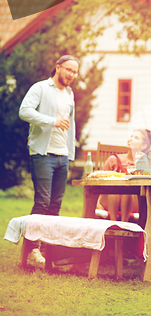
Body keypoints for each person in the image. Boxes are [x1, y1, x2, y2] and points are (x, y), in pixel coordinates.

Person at [18, 55, 80, 266]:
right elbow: (24, 111)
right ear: (58, 67)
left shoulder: (70, 93)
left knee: (55, 205)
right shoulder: (41, 88)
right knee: (42, 202)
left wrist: (71, 150)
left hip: (62, 155)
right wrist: (52, 121)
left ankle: (48, 251)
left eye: (75, 71)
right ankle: (31, 250)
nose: (72, 74)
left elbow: (70, 124)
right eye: (69, 69)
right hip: (42, 154)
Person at [96, 129, 151, 222]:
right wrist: (97, 203)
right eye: (131, 136)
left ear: (144, 145)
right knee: (114, 187)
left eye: (136, 138)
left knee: (128, 190)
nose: (131, 139)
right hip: (110, 200)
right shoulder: (113, 159)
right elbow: (100, 184)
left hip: (134, 202)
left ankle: (124, 223)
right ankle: (114, 223)